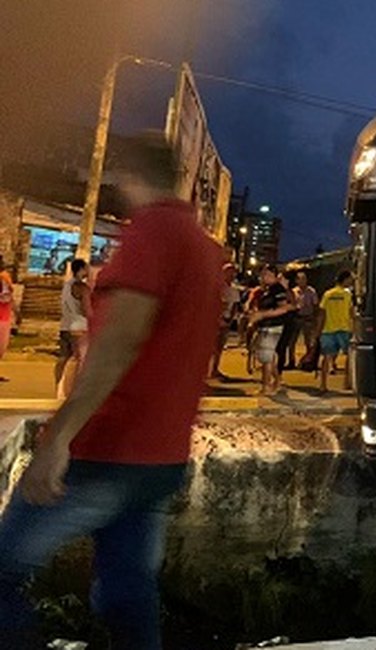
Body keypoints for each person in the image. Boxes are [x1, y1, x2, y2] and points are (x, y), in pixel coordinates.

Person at [0, 134, 223, 648]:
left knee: (4, 571)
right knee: (126, 593)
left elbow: (119, 343)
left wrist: (58, 440)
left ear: (127, 178)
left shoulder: (151, 235)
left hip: (107, 450)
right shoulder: (204, 249)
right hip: (161, 458)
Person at [249, 264, 292, 395]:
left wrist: (263, 314)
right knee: (267, 357)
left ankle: (266, 386)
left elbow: (283, 308)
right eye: (262, 274)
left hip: (273, 327)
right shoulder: (268, 289)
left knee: (266, 357)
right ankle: (277, 381)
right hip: (265, 326)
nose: (263, 277)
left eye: (266, 274)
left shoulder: (277, 289)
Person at [55, 258, 93, 398]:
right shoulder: (82, 288)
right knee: (78, 359)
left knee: (63, 357)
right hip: (79, 326)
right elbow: (87, 309)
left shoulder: (66, 285)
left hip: (65, 324)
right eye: (87, 268)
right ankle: (71, 391)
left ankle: (58, 388)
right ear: (82, 270)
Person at [318, 270, 354, 393]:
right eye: (350, 279)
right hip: (344, 329)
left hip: (328, 329)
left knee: (326, 358)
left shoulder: (328, 294)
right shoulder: (347, 294)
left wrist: (318, 330)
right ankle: (347, 383)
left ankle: (323, 385)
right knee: (349, 357)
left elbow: (321, 313)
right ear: (345, 279)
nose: (351, 281)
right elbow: (351, 312)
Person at [211, 263, 240, 380]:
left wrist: (230, 320)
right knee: (211, 347)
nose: (231, 275)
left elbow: (234, 307)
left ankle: (214, 369)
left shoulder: (233, 290)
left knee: (219, 347)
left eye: (233, 273)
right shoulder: (217, 287)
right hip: (214, 321)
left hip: (226, 321)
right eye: (229, 272)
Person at [275, 271, 300, 373]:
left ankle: (279, 370)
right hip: (278, 321)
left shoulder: (289, 292)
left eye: (281, 278)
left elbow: (292, 305)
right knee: (278, 347)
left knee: (281, 346)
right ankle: (277, 370)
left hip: (286, 322)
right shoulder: (278, 290)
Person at [293, 271, 318, 368]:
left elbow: (315, 305)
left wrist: (313, 318)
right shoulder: (294, 292)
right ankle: (292, 361)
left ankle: (308, 361)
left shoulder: (311, 291)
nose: (303, 281)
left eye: (304, 278)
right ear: (296, 281)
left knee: (308, 341)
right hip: (297, 318)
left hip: (308, 317)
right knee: (292, 341)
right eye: (301, 279)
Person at [0, 255, 14, 382]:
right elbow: (6, 297)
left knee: (2, 347)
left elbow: (9, 297)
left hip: (4, 315)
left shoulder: (4, 277)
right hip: (1, 317)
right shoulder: (3, 277)